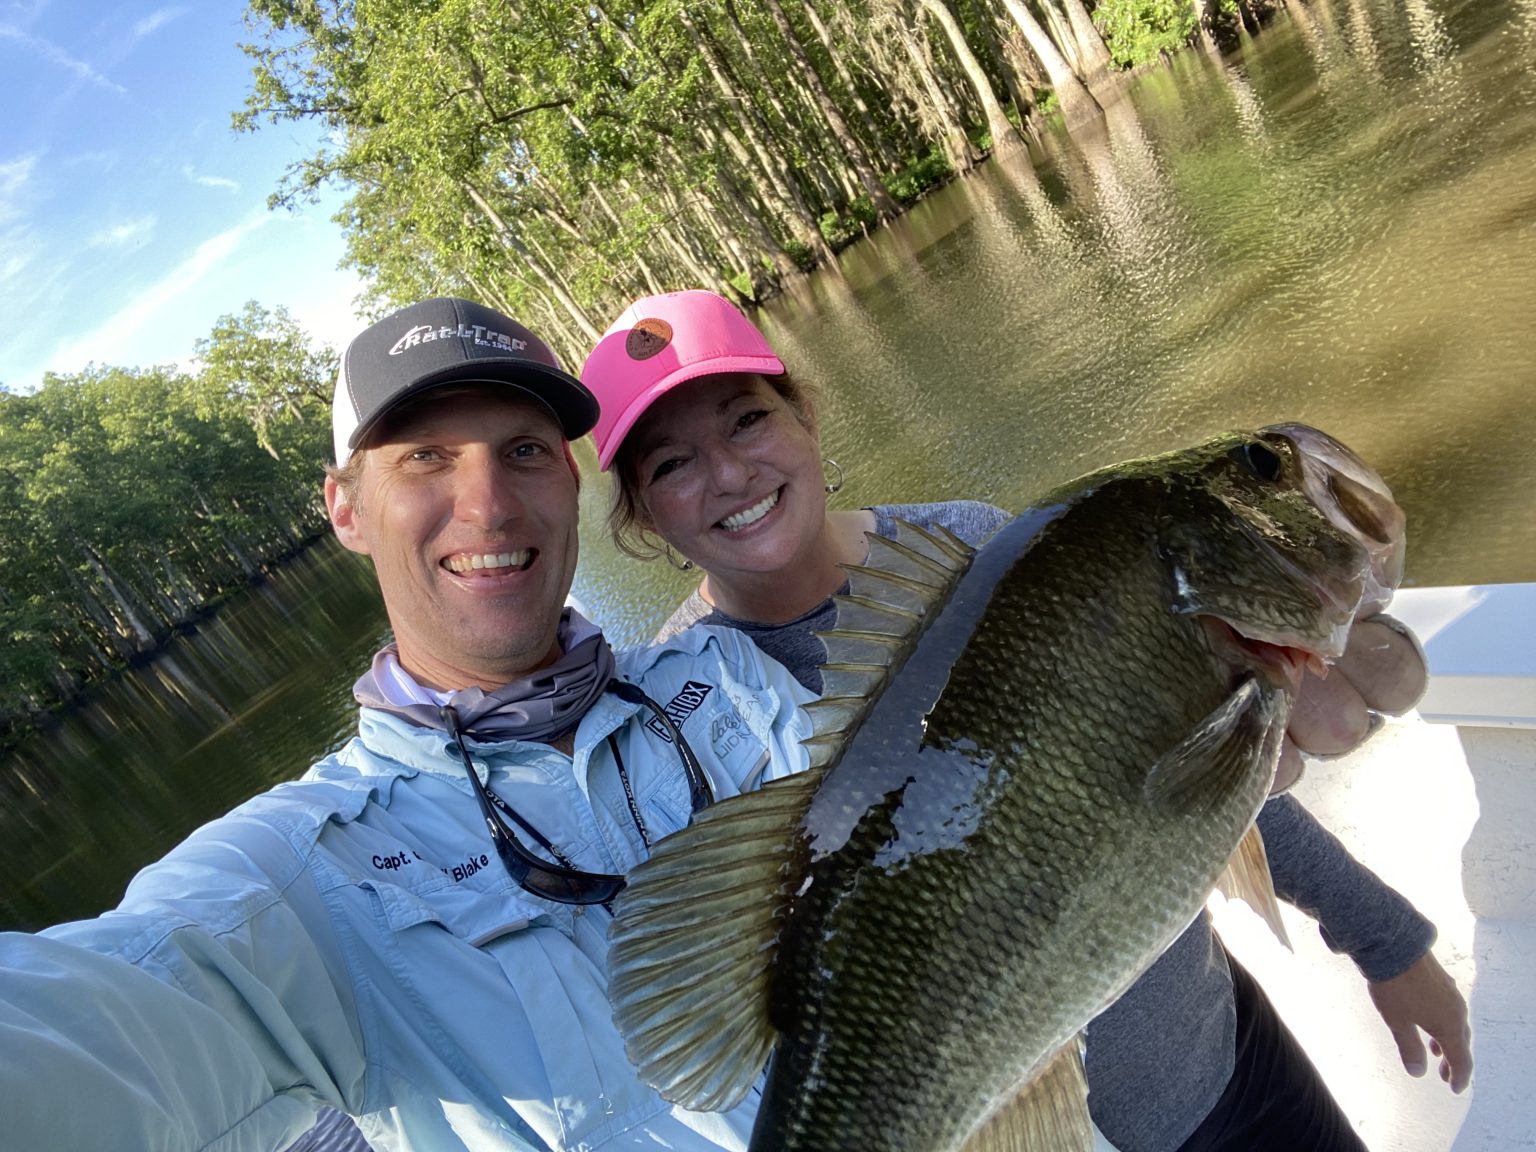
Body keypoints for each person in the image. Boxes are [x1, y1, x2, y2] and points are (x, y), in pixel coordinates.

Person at [578, 289, 1475, 1152]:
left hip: (1207, 1068)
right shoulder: (679, 720)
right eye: (671, 463)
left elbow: (1206, 780)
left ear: (804, 415)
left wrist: (1381, 937)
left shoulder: (981, 548)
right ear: (641, 516)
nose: (729, 472)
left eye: (746, 418)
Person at [0, 297, 820, 1150]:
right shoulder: (302, 873)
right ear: (346, 511)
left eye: (525, 451)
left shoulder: (729, 678)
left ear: (572, 483)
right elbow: (96, 1023)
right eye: (427, 457)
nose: (489, 504)